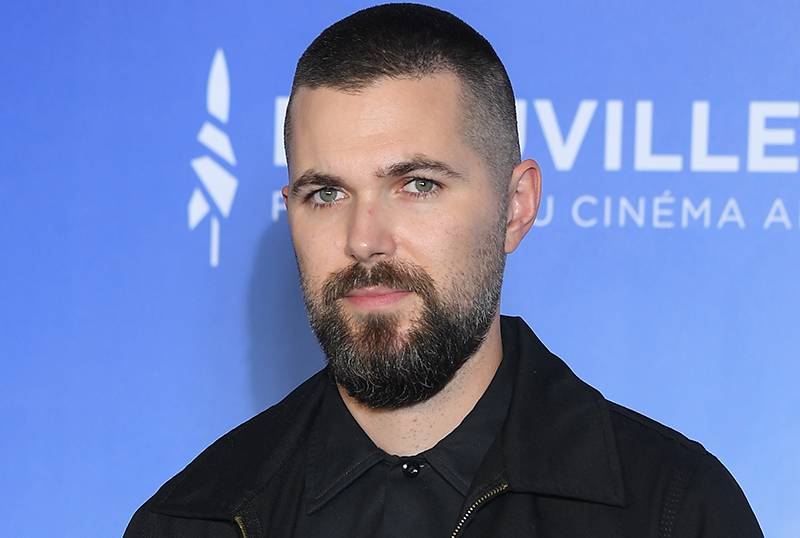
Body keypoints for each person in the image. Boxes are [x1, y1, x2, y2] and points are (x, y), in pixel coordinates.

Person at [124, 4, 763, 537]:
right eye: (326, 194)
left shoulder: (673, 512)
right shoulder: (192, 520)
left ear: (516, 207)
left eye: (417, 184)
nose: (364, 241)